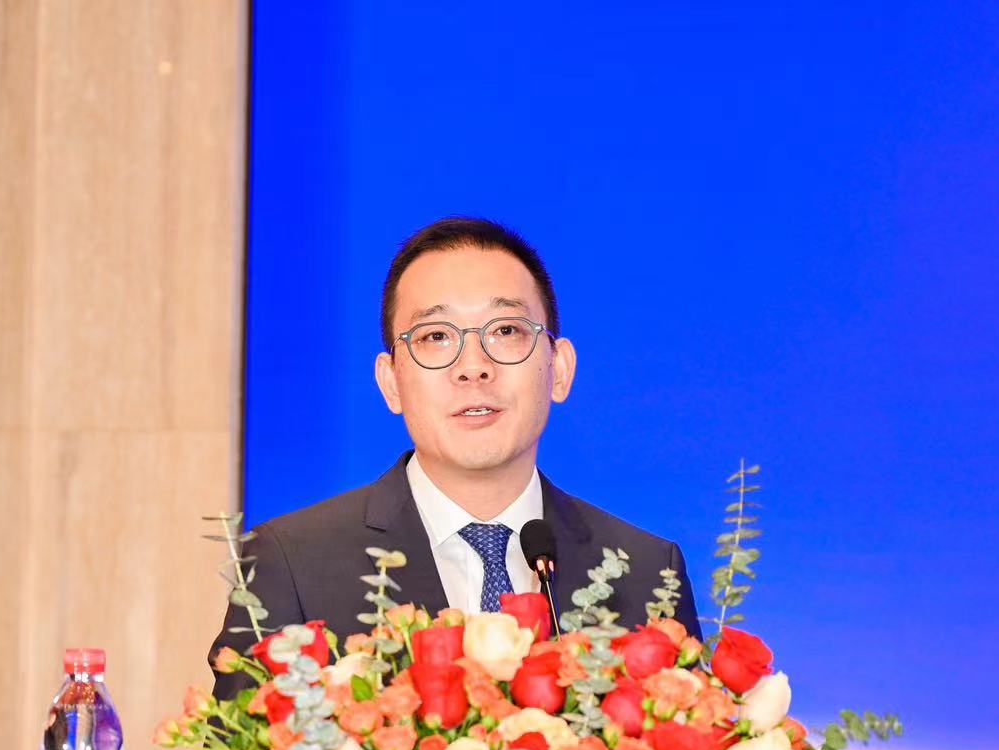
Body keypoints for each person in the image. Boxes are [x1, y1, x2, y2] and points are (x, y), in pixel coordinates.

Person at [210, 217, 700, 690]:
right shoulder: (292, 564)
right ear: (390, 382)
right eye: (436, 337)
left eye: (505, 331)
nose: (473, 367)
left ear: (560, 369)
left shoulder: (647, 573)